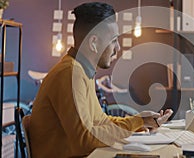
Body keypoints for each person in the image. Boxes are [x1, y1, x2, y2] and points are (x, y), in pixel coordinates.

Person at [28, 2, 173, 158]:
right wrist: (136, 123)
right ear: (93, 43)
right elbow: (85, 140)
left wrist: (141, 121)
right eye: (113, 40)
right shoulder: (70, 73)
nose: (117, 48)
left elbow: (100, 121)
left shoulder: (81, 71)